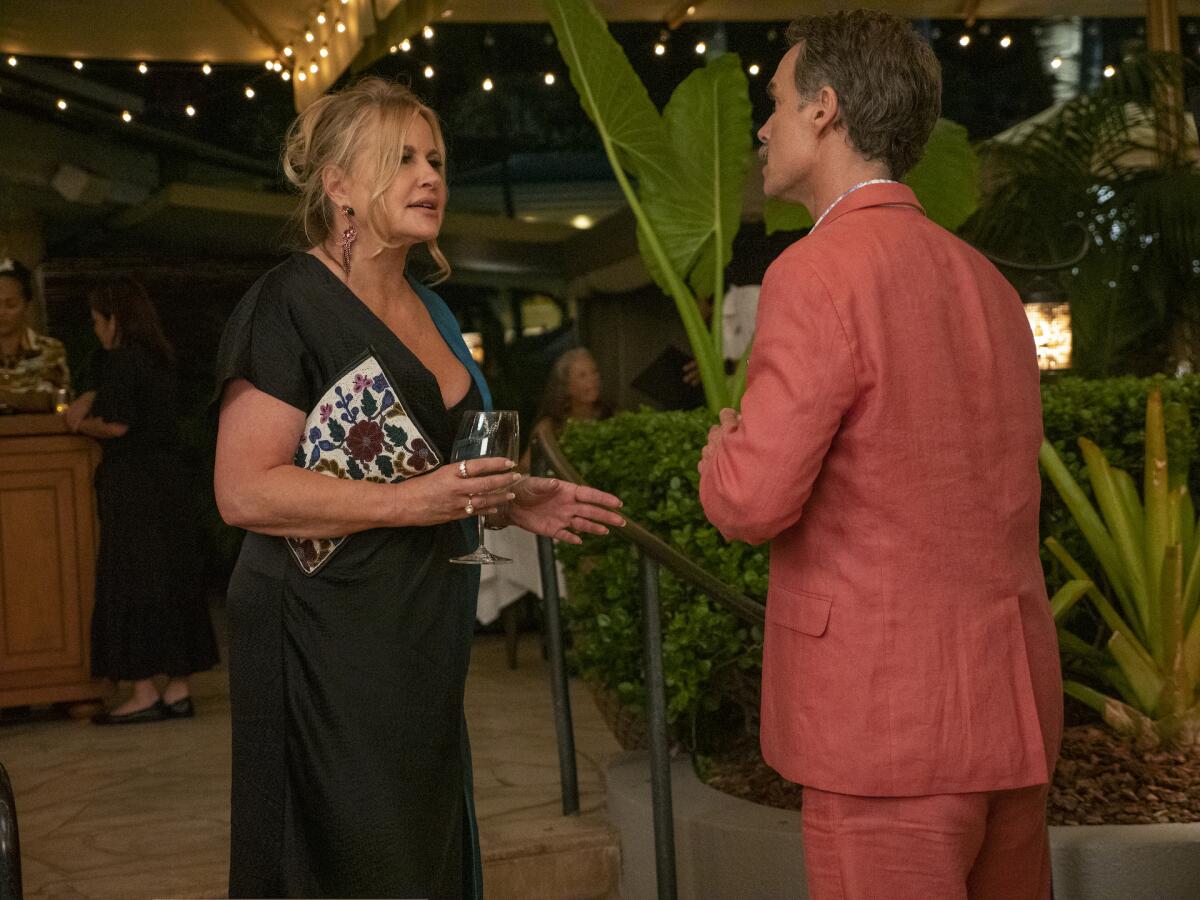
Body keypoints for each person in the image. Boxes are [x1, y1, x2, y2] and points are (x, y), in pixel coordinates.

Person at [212, 77, 624, 899]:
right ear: (337, 183)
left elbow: (431, 463)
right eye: (400, 159)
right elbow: (243, 491)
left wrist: (515, 497)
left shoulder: (432, 309)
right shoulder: (290, 303)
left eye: (434, 158)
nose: (429, 175)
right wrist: (411, 504)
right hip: (319, 622)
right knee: (352, 853)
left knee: (421, 841)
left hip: (418, 623)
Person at [697, 11, 1062, 900]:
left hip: (884, 724)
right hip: (1011, 711)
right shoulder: (988, 282)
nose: (764, 122)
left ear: (824, 110)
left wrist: (722, 445)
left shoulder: (815, 273)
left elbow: (750, 501)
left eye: (776, 101)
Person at [64, 277, 219, 724]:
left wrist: (79, 424)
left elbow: (116, 426)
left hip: (133, 487)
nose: (95, 329)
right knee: (173, 579)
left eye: (97, 320)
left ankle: (144, 690)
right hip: (168, 483)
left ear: (115, 320)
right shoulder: (159, 358)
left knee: (133, 582)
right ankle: (178, 689)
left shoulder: (121, 361)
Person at [521, 346, 611, 470]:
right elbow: (525, 467)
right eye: (582, 376)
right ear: (566, 386)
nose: (593, 379)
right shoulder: (549, 427)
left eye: (594, 372)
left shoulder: (612, 417)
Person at [0, 258, 71, 412]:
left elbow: (54, 401)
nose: (1, 312)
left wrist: (7, 398)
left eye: (11, 305)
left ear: (27, 305)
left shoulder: (50, 349)